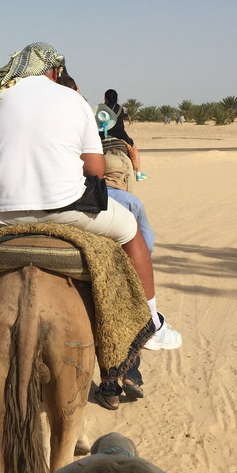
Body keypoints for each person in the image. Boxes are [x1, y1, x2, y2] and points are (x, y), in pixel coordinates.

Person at [0, 43, 179, 353]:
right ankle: (152, 323)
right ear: (54, 71)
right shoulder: (74, 100)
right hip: (67, 208)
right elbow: (94, 168)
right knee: (131, 230)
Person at [100, 153, 180, 406]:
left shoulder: (85, 198)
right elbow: (148, 245)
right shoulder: (132, 202)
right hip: (125, 274)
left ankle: (110, 391)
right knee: (135, 322)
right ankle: (131, 376)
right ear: (122, 177)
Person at [103, 89, 146, 181]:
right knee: (133, 148)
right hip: (120, 134)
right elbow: (122, 115)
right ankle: (138, 173)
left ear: (105, 98)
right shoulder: (119, 108)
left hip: (104, 135)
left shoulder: (102, 109)